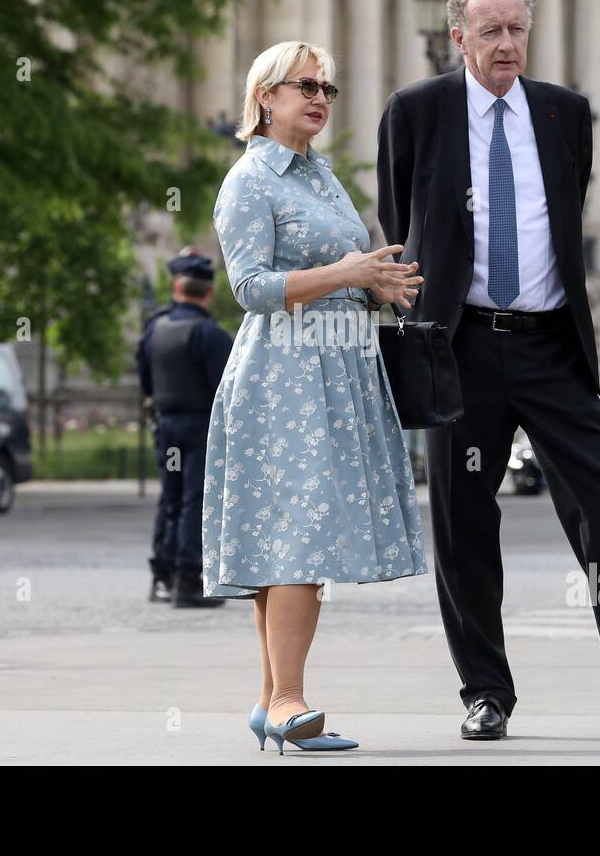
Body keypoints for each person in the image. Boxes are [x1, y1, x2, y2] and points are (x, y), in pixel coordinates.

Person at [377, 0, 600, 741]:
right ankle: (485, 691)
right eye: (491, 31)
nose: (507, 44)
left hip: (551, 345)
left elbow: (564, 216)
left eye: (517, 30)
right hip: (459, 347)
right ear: (457, 38)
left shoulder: (565, 113)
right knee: (462, 522)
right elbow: (396, 224)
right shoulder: (416, 113)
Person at [201, 40, 426, 754]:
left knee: (295, 535)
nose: (320, 97)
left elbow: (342, 268)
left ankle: (271, 699)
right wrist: (344, 272)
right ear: (265, 97)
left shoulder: (322, 176)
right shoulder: (250, 180)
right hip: (283, 375)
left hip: (336, 366)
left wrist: (372, 283)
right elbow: (251, 288)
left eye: (326, 85)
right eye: (305, 85)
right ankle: (290, 698)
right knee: (296, 535)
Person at [135, 250, 233, 608]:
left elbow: (144, 380)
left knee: (171, 499)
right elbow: (227, 387)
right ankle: (189, 581)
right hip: (200, 425)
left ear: (176, 286)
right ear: (208, 292)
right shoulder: (210, 334)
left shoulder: (154, 330)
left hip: (165, 424)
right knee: (196, 502)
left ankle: (161, 577)